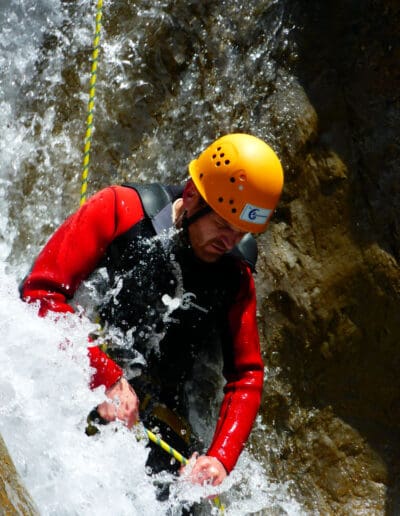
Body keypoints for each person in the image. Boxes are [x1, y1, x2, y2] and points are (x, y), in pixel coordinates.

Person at [20, 133, 284, 487]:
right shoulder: (120, 209)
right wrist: (106, 376)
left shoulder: (236, 275)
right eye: (223, 225)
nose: (230, 242)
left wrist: (219, 459)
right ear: (191, 195)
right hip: (80, 369)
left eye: (242, 233)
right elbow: (39, 294)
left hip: (160, 407)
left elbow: (247, 376)